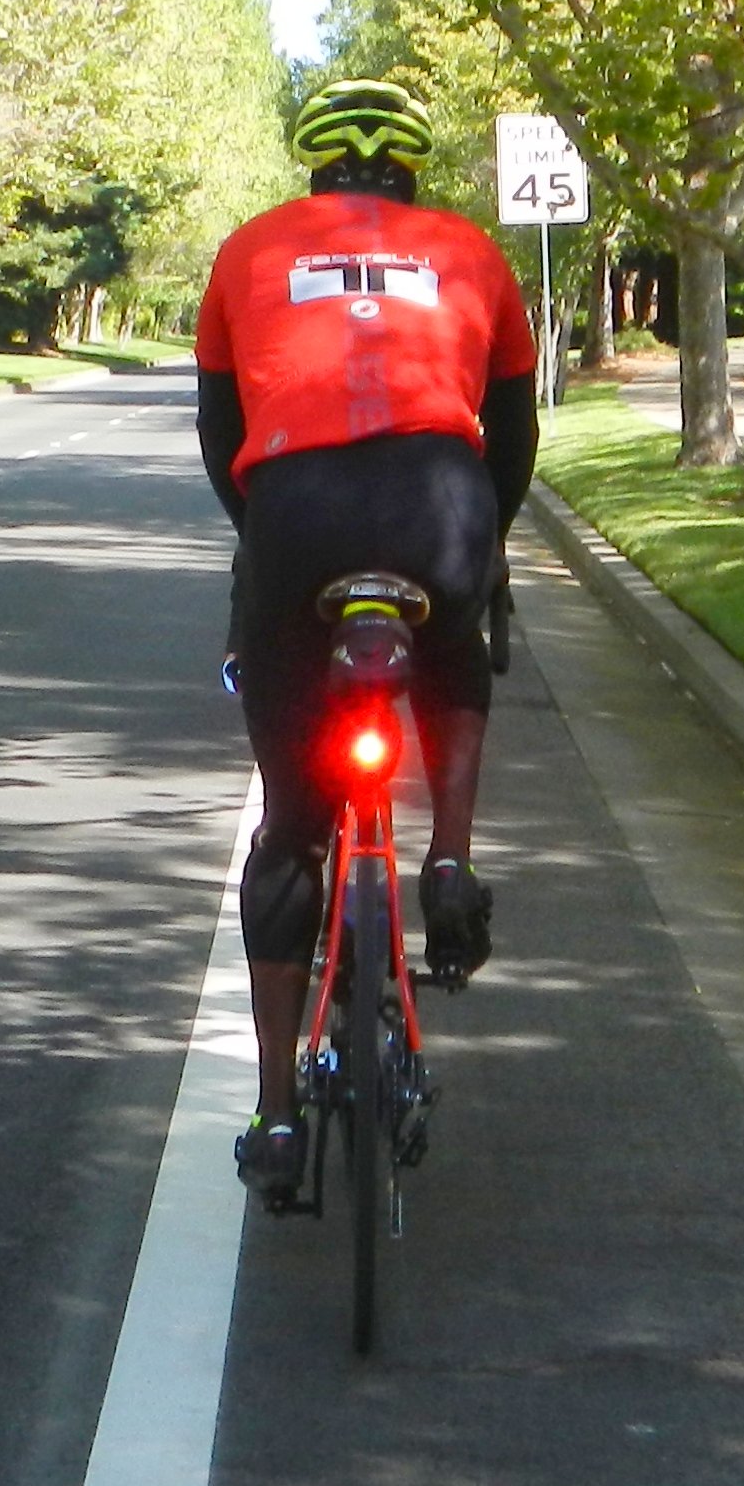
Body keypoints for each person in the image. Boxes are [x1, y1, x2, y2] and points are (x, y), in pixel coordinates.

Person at [194, 74, 538, 1198]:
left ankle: (277, 1118)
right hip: (443, 503)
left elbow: (220, 429)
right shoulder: (473, 251)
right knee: (455, 651)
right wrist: (485, 553)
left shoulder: (249, 248)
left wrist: (267, 544)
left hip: (297, 512)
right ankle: (450, 860)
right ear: (412, 172)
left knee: (293, 828)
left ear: (314, 168)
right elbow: (514, 435)